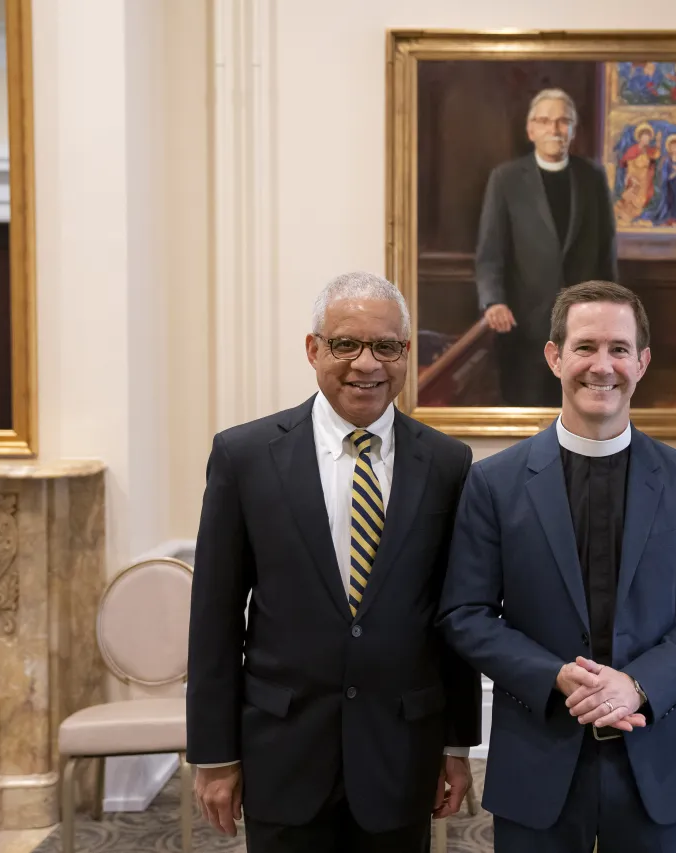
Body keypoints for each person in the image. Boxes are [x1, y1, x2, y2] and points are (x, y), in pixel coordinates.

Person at [437, 280, 676, 852]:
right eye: (585, 347)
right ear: (555, 356)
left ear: (642, 362)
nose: (601, 366)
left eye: (619, 349)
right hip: (538, 755)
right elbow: (465, 613)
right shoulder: (494, 482)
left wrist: (638, 685)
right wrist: (554, 676)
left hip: (654, 758)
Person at [185, 272, 481, 852]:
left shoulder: (447, 464)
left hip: (400, 753)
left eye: (386, 347)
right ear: (313, 348)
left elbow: (455, 616)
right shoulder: (244, 457)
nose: (366, 364)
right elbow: (215, 617)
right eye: (346, 344)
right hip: (283, 750)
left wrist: (456, 743)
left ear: (405, 354)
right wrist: (215, 754)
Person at [475, 89, 618, 407]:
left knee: (583, 412)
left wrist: (610, 308)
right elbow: (490, 253)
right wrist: (493, 301)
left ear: (573, 129)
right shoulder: (506, 179)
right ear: (531, 130)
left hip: (586, 326)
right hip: (524, 327)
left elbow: (606, 254)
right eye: (545, 121)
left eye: (563, 121)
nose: (554, 130)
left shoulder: (592, 177)